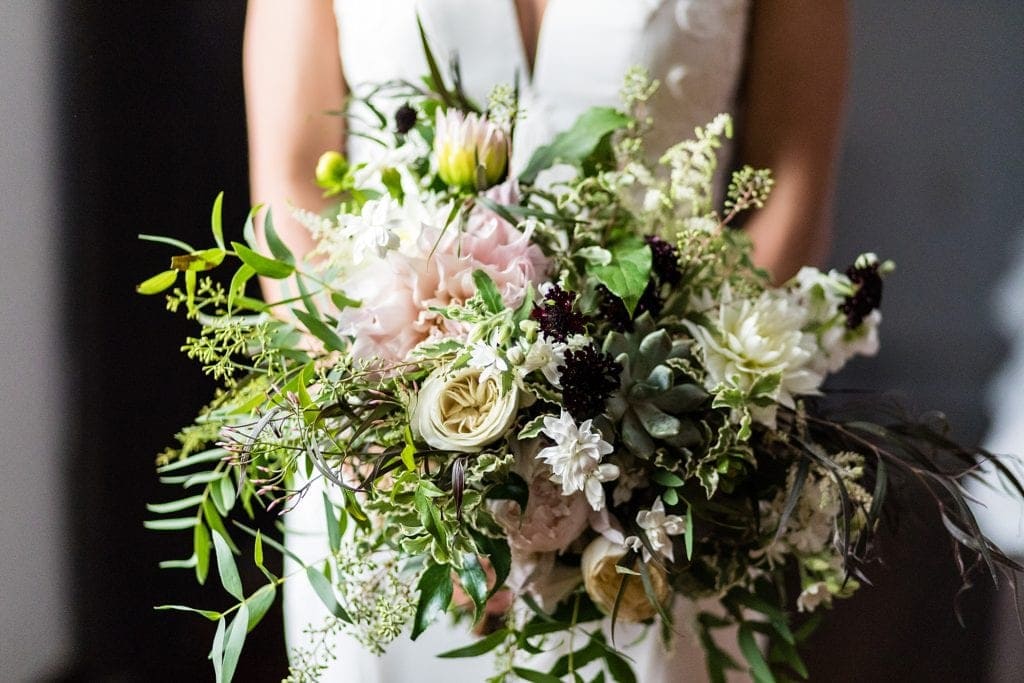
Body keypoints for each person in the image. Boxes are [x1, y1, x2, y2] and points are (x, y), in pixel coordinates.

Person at [243, 1, 847, 680]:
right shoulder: (392, 459)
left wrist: (651, 447)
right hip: (390, 482)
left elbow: (787, 184)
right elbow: (291, 186)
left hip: (659, 501)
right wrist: (401, 440)